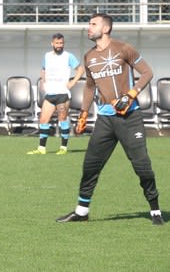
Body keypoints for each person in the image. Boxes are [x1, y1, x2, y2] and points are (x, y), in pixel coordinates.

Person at [57, 13, 164, 226]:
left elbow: (147, 72)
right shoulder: (88, 57)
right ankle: (81, 211)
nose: (88, 27)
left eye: (93, 24)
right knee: (90, 166)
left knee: (142, 166)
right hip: (105, 120)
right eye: (89, 24)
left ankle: (155, 210)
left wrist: (131, 94)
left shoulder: (124, 48)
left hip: (130, 118)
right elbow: (89, 86)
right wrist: (84, 113)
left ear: (105, 29)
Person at [27, 33, 84, 155]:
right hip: (50, 94)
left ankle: (63, 148)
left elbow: (80, 69)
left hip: (63, 94)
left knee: (62, 120)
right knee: (43, 120)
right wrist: (43, 81)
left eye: (61, 43)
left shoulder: (68, 56)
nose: (59, 45)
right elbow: (43, 69)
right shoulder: (47, 56)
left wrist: (73, 82)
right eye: (57, 43)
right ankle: (41, 149)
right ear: (52, 43)